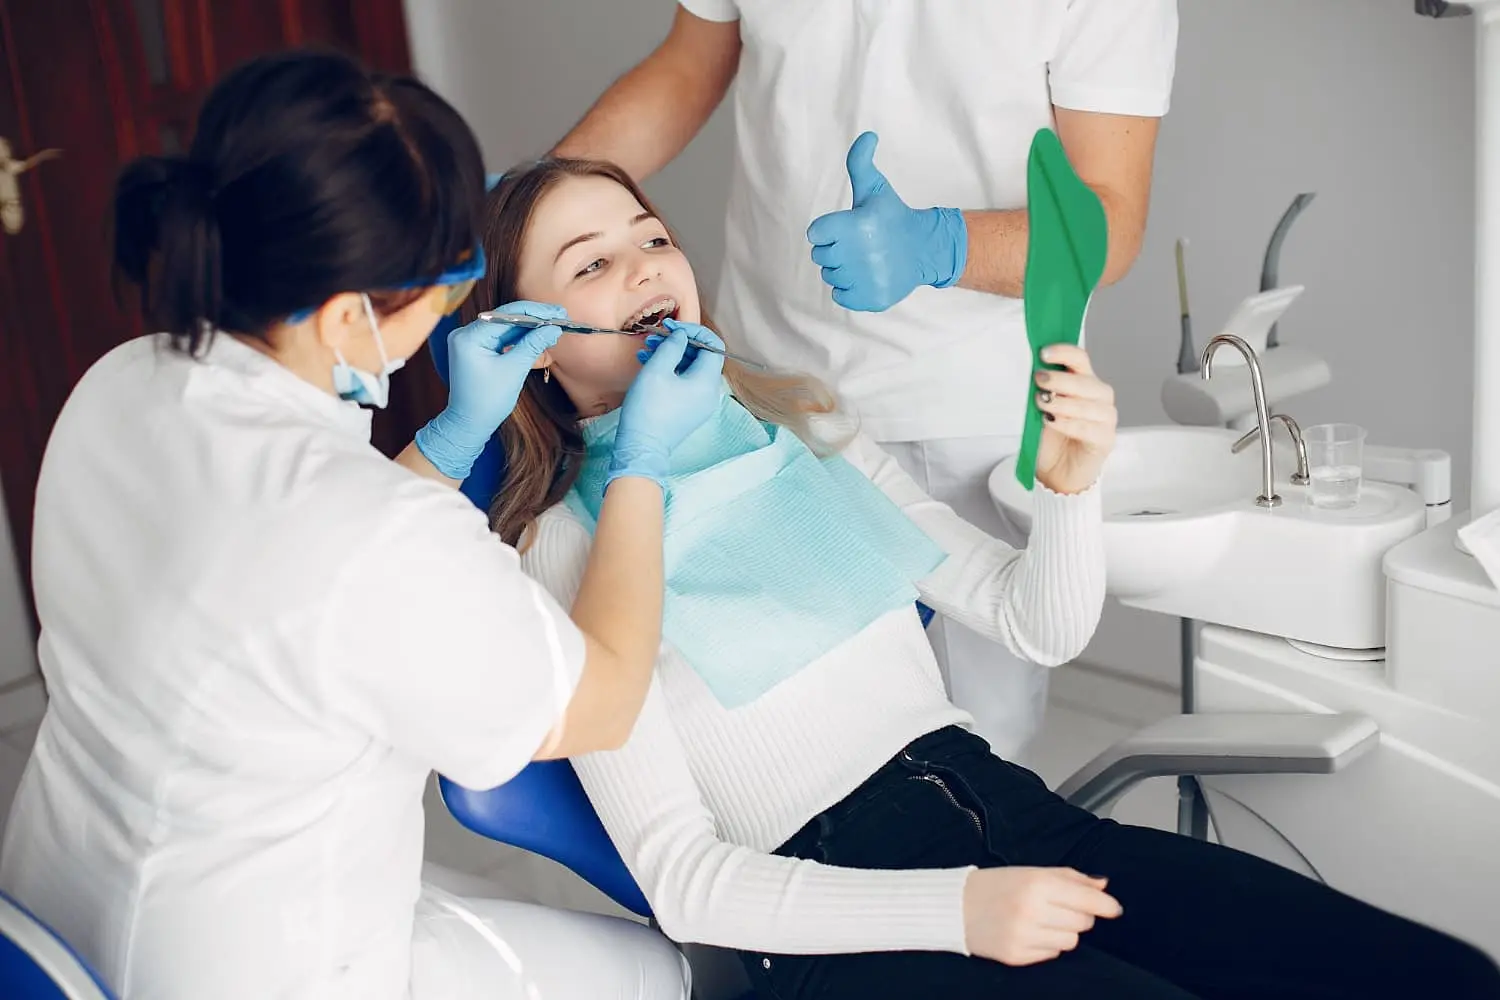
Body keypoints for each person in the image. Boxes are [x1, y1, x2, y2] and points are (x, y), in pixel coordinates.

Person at [472, 155, 1500, 1000]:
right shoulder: (562, 548)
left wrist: (1068, 491)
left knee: (1439, 980)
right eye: (590, 263)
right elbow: (686, 883)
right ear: (536, 349)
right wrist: (957, 909)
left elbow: (1034, 621)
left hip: (1020, 820)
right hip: (843, 923)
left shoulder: (804, 428)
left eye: (652, 237)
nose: (645, 266)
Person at [0, 51, 724, 1000]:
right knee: (681, 980)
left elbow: (326, 564)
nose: (462, 293)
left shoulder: (124, 381)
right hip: (255, 968)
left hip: (60, 910)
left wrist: (451, 437)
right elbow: (602, 700)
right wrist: (640, 462)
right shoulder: (364, 536)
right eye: (449, 277)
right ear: (346, 315)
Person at [550, 1, 1179, 760]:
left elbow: (1109, 218)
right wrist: (531, 202)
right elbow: (688, 66)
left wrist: (940, 245)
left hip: (959, 400)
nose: (643, 263)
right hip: (766, 387)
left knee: (980, 740)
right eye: (591, 260)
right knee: (791, 736)